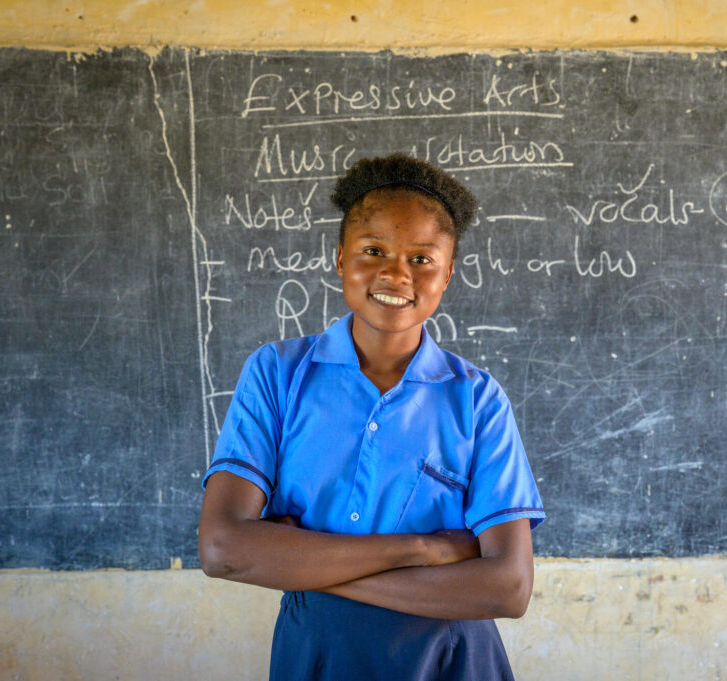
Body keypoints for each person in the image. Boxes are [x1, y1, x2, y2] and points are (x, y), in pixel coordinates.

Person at [198, 154, 545, 681]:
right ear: (340, 258)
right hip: (318, 654)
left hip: (449, 659)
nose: (396, 273)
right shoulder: (278, 374)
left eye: (422, 259)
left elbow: (508, 588)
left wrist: (299, 563)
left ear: (448, 273)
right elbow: (222, 547)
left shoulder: (476, 399)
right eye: (373, 250)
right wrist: (423, 549)